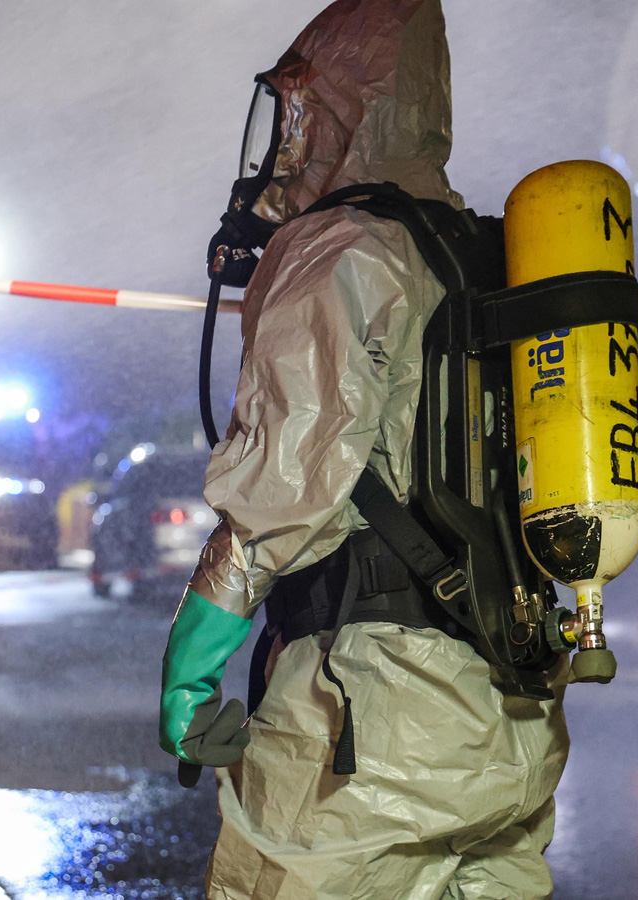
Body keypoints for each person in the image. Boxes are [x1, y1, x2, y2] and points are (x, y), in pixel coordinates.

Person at [158, 1, 569, 897]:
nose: (286, 140)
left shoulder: (341, 249)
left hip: (368, 741)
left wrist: (191, 668)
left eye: (300, 107)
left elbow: (282, 498)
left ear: (344, 104)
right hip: (510, 722)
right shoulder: (487, 254)